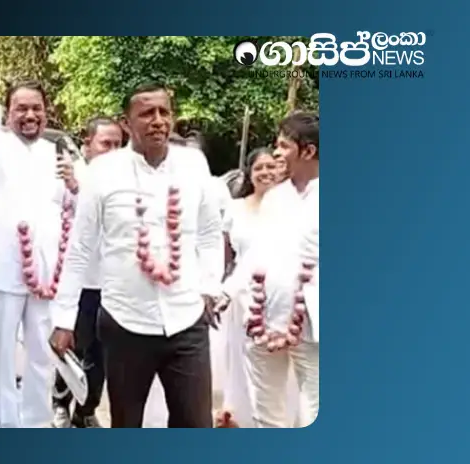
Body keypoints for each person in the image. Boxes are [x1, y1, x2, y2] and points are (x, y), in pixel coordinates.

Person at [51, 82, 224, 428]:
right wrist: (64, 319)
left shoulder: (194, 164)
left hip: (186, 319)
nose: (158, 120)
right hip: (125, 322)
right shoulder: (102, 172)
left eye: (164, 112)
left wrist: (209, 287)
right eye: (147, 113)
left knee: (195, 424)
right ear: (127, 122)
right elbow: (81, 247)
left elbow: (208, 233)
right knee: (126, 423)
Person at [0, 37, 78, 428]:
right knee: (2, 359)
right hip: (2, 274)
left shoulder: (57, 153)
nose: (29, 115)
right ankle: (2, 430)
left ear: (47, 113)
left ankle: (37, 427)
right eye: (21, 108)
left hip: (46, 278)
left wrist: (76, 186)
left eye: (36, 108)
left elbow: (70, 212)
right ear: (7, 113)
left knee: (42, 358)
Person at [224, 111, 319, 427]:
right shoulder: (276, 198)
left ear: (308, 151)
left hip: (314, 324)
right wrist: (227, 291)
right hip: (263, 316)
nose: (275, 153)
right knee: (267, 415)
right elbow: (256, 253)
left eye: (283, 146)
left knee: (313, 414)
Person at [216, 147, 304, 427]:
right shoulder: (236, 208)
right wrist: (224, 289)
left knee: (281, 366)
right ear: (249, 174)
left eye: (271, 166)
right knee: (243, 365)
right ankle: (240, 418)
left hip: (283, 297)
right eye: (259, 168)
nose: (266, 172)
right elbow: (227, 255)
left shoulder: (296, 205)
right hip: (243, 296)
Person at [51, 116, 122, 428]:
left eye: (118, 144)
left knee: (104, 356)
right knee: (73, 350)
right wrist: (77, 189)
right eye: (106, 144)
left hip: (116, 287)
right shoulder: (70, 176)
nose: (113, 151)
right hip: (82, 286)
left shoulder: (128, 180)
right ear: (87, 146)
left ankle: (86, 409)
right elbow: (65, 225)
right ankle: (61, 403)